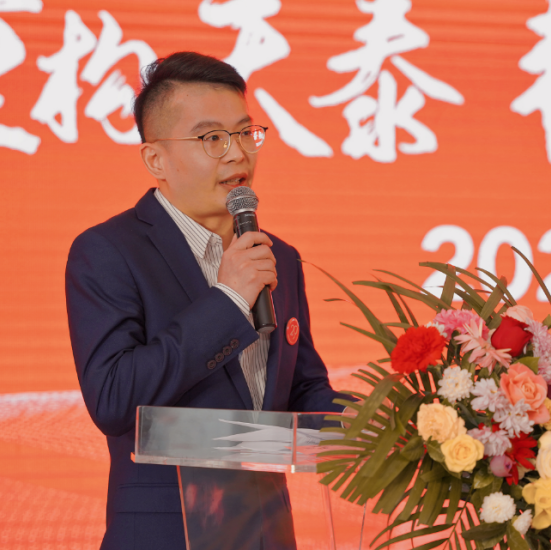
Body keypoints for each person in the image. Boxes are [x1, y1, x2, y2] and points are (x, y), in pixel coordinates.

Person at [65, 52, 345, 550]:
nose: (237, 154)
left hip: (267, 535)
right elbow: (112, 399)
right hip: (162, 536)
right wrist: (229, 299)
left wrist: (384, 423)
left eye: (245, 133)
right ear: (156, 160)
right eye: (212, 138)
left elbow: (303, 391)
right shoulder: (108, 251)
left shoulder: (277, 256)